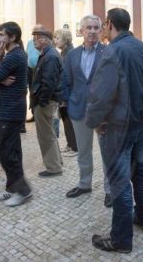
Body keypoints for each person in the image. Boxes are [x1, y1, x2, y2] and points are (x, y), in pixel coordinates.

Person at [86, 8, 143, 254]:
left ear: (110, 24)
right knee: (140, 170)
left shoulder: (113, 50)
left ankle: (121, 239)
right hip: (141, 123)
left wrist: (94, 120)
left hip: (120, 127)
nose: (102, 28)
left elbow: (101, 93)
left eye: (104, 24)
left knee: (120, 182)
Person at [61, 15, 112, 205]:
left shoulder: (109, 52)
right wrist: (69, 100)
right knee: (83, 151)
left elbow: (114, 82)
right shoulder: (72, 55)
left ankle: (110, 189)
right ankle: (84, 183)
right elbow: (65, 81)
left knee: (107, 153)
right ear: (81, 31)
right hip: (79, 109)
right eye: (88, 28)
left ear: (101, 31)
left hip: (103, 113)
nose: (92, 31)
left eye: (95, 28)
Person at [0, 21, 33, 207]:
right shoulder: (14, 54)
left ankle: (23, 190)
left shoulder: (13, 56)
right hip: (9, 110)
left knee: (6, 153)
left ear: (13, 37)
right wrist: (0, 79)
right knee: (12, 150)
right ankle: (12, 188)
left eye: (2, 35)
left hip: (10, 111)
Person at [31, 27, 64, 177]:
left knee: (46, 135)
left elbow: (48, 82)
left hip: (46, 101)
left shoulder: (50, 56)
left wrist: (42, 101)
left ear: (45, 39)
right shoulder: (48, 54)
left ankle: (53, 167)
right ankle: (56, 162)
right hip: (47, 100)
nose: (34, 40)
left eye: (37, 37)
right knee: (49, 133)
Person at [54, 28, 77, 156]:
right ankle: (70, 144)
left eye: (58, 38)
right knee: (65, 119)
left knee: (70, 120)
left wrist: (65, 97)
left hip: (69, 93)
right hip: (64, 92)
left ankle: (75, 147)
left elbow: (69, 77)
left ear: (66, 40)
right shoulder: (63, 53)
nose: (55, 41)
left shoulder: (70, 54)